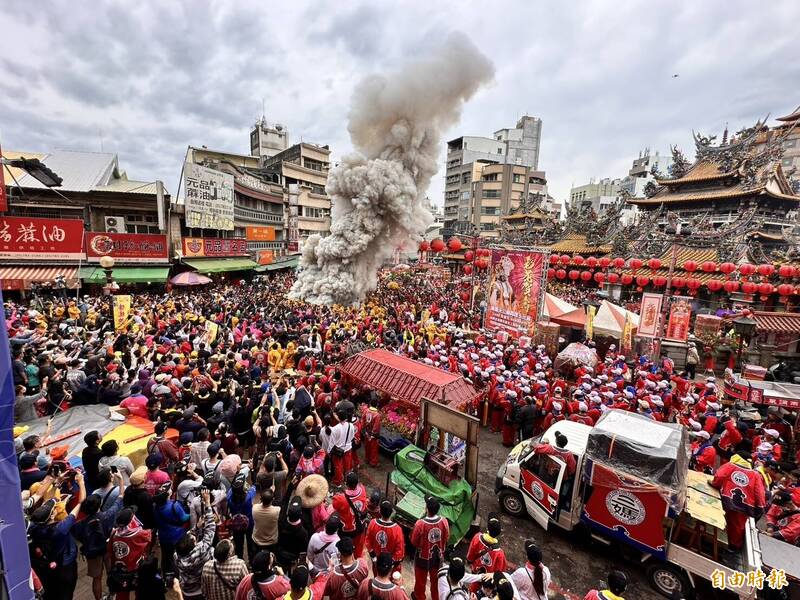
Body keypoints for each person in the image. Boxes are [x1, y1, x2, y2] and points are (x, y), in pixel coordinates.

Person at [27, 471, 86, 600]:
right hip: (65, 565)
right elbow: (81, 502)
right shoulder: (62, 527)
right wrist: (81, 482)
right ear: (52, 515)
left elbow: (44, 502)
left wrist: (56, 483)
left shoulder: (33, 526)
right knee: (66, 593)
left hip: (45, 567)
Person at [710, 454, 768, 549]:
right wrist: (760, 507)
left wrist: (715, 484)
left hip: (726, 500)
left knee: (719, 519)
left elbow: (718, 477)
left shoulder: (730, 466)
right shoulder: (755, 475)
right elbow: (759, 493)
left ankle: (714, 539)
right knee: (737, 526)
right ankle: (732, 547)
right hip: (745, 505)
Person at [175, 489, 217, 600]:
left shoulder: (177, 556)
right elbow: (211, 529)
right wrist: (208, 503)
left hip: (188, 591)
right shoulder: (201, 552)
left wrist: (197, 527)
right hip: (202, 589)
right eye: (194, 540)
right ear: (194, 545)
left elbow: (186, 539)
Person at [107, 508, 153, 600]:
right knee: (139, 591)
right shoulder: (138, 533)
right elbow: (149, 537)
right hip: (137, 568)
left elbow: (110, 551)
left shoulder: (114, 533)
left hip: (120, 570)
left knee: (122, 593)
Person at [411, 496, 450, 600]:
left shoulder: (420, 524)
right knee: (436, 581)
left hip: (422, 558)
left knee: (420, 581)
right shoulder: (444, 522)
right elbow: (447, 537)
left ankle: (419, 597)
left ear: (426, 509)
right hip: (438, 557)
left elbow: (414, 541)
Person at [153, 481, 190, 576]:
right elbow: (184, 518)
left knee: (166, 556)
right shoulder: (174, 506)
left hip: (164, 537)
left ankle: (166, 574)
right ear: (167, 495)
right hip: (177, 536)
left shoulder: (156, 508)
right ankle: (179, 574)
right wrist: (191, 512)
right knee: (180, 555)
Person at [331, 471, 368, 558]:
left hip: (347, 531)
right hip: (360, 527)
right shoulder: (362, 490)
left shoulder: (341, 499)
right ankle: (357, 564)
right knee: (358, 551)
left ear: (346, 483)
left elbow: (334, 505)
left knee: (345, 551)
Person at [365, 500, 404, 576]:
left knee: (377, 579)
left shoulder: (372, 523)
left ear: (380, 510)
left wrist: (373, 556)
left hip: (376, 562)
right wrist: (391, 564)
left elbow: (368, 541)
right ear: (392, 512)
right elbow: (399, 551)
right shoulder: (397, 529)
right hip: (389, 566)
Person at [323, 536, 370, 600]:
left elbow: (326, 594)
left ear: (339, 553)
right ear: (353, 550)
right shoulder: (363, 565)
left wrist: (330, 569)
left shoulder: (332, 576)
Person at [252, 488, 281, 555]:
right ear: (272, 500)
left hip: (257, 540)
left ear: (261, 499)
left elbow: (259, 504)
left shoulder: (254, 508)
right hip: (271, 542)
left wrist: (267, 495)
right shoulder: (277, 511)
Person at [360, 397, 382, 467]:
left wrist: (363, 430)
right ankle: (373, 462)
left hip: (366, 432)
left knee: (367, 447)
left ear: (370, 404)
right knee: (374, 449)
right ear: (377, 405)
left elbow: (362, 420)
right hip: (373, 435)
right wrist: (373, 434)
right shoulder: (377, 415)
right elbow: (376, 426)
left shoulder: (366, 411)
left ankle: (367, 459)